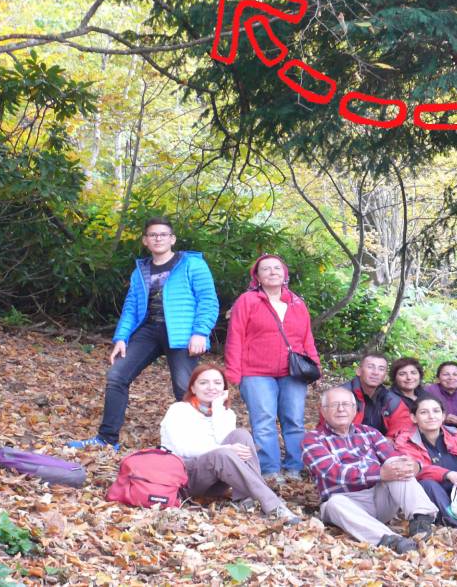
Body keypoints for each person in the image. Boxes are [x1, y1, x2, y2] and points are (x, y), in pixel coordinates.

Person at [70, 217, 219, 451]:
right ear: (145, 241)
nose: (158, 238)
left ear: (172, 239)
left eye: (163, 234)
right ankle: (107, 440)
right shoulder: (141, 270)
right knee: (117, 376)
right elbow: (131, 306)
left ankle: (199, 445)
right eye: (152, 235)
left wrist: (200, 332)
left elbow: (208, 301)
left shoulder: (192, 264)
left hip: (182, 334)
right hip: (149, 330)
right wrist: (121, 337)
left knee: (185, 389)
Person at [301, 386, 438, 554]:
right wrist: (379, 474)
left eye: (346, 404)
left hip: (378, 498)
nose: (341, 409)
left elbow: (393, 457)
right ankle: (391, 540)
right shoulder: (313, 439)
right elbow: (332, 472)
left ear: (354, 409)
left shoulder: (369, 432)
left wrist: (413, 465)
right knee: (333, 504)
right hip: (347, 503)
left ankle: (421, 520)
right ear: (323, 410)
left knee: (397, 467)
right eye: (334, 405)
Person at [158, 364, 301, 524]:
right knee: (223, 453)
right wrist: (224, 449)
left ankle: (246, 498)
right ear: (193, 387)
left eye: (218, 383)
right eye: (204, 383)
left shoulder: (226, 414)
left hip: (217, 481)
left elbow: (225, 442)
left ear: (224, 388)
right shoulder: (179, 410)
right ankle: (273, 505)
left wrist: (218, 408)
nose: (211, 387)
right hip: (186, 477)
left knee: (241, 435)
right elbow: (182, 448)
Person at [224, 254, 319, 482]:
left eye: (277, 268)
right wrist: (233, 374)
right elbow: (235, 337)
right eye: (266, 269)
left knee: (294, 420)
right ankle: (270, 469)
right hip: (255, 371)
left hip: (293, 372)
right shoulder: (247, 301)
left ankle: (295, 467)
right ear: (257, 276)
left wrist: (315, 367)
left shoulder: (296, 303)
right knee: (264, 421)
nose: (273, 272)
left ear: (284, 274)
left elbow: (307, 339)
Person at [394, 395, 457, 530]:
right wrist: (447, 474)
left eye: (436, 411)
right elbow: (415, 469)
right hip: (433, 497)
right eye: (424, 412)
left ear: (443, 415)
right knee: (428, 484)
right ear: (414, 417)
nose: (431, 416)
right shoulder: (405, 441)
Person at [318, 354, 412, 439]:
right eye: (370, 367)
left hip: (381, 448)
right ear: (358, 371)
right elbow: (330, 429)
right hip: (343, 445)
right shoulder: (340, 395)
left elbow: (402, 431)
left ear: (385, 376)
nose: (375, 372)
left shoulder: (392, 401)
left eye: (381, 369)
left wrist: (386, 443)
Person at [423, 361, 457, 429]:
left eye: (455, 374)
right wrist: (443, 418)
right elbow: (422, 414)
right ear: (438, 378)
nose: (451, 378)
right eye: (446, 374)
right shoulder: (429, 391)